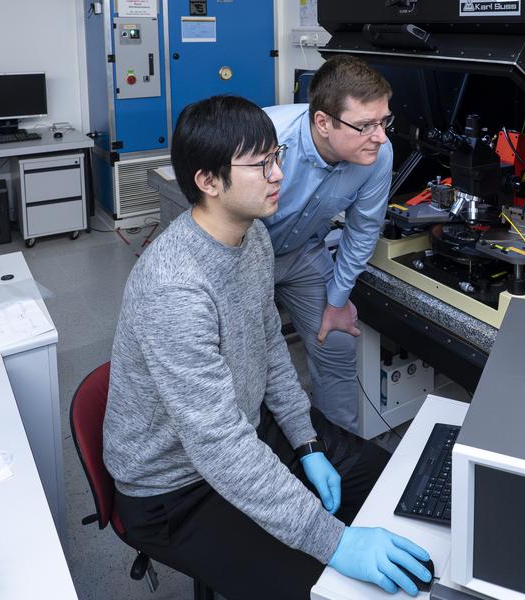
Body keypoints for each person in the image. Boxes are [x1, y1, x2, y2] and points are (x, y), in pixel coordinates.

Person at [102, 95, 431, 600]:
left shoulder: (252, 236)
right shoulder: (174, 289)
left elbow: (270, 347)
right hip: (175, 490)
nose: (279, 175)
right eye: (261, 165)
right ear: (208, 182)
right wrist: (335, 542)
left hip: (248, 431)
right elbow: (218, 448)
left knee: (385, 483)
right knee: (327, 585)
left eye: (277, 157)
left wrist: (306, 444)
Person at [263, 55, 394, 433]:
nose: (381, 136)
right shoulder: (267, 137)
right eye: (366, 125)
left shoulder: (377, 154)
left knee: (336, 342)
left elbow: (363, 228)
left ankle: (341, 453)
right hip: (243, 255)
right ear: (323, 122)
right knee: (246, 359)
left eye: (384, 121)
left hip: (302, 251)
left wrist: (337, 301)